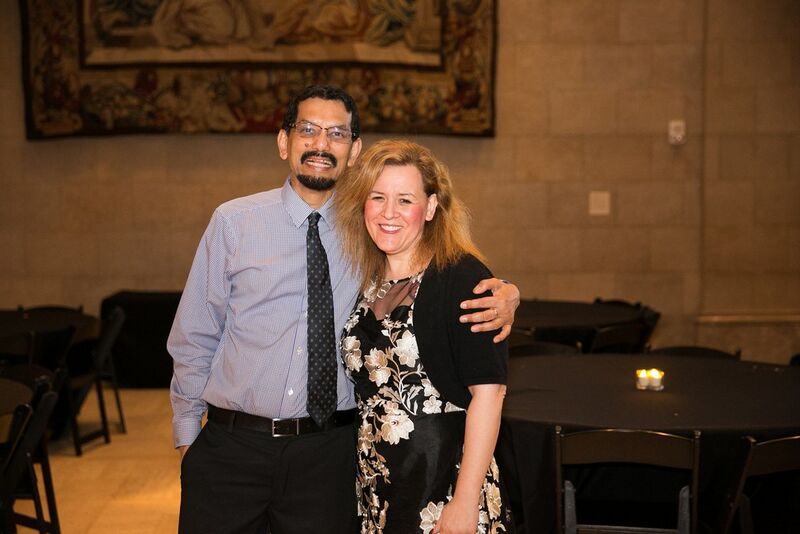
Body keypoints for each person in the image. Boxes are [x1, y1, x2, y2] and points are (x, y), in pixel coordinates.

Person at [168, 85, 520, 534]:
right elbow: (194, 336)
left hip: (329, 458)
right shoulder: (234, 223)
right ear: (284, 141)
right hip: (234, 449)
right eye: (308, 130)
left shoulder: (367, 233)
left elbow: (444, 277)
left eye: (336, 133)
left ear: (354, 151)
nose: (321, 144)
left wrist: (508, 294)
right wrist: (189, 442)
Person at [335, 139, 513, 533]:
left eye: (405, 200)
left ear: (431, 207)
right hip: (379, 488)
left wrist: (464, 502)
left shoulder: (461, 277)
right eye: (377, 197)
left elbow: (490, 394)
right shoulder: (364, 278)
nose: (389, 212)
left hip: (443, 487)